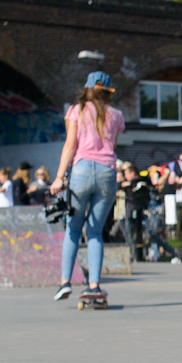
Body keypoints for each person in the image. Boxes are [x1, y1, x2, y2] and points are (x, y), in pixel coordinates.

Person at [53, 70, 124, 305]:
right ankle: (94, 284)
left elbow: (70, 146)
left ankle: (65, 282)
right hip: (107, 173)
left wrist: (59, 177)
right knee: (94, 232)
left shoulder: (76, 111)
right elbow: (112, 147)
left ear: (88, 88)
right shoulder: (116, 115)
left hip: (81, 172)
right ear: (108, 91)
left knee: (73, 229)